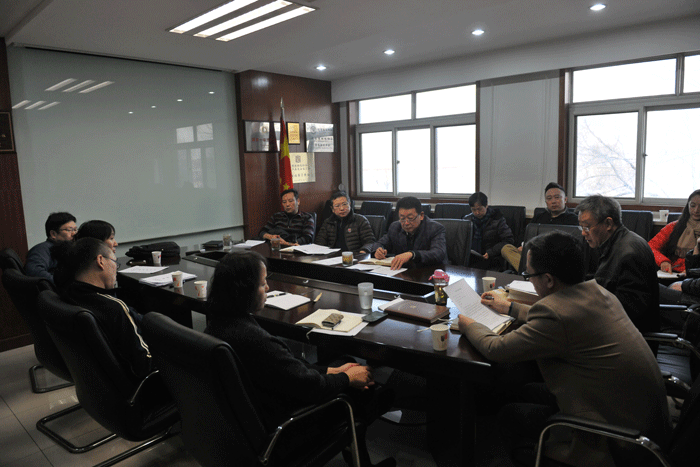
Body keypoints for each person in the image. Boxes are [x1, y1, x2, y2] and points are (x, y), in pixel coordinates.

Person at [458, 231, 671, 467]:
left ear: (549, 280)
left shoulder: (556, 315)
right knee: (526, 389)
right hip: (641, 420)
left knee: (509, 415)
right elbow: (564, 317)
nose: (530, 280)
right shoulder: (598, 292)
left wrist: (469, 324)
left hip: (616, 442)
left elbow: (496, 348)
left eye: (530, 275)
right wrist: (510, 308)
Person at [203, 250, 392, 436]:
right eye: (262, 283)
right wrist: (347, 378)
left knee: (344, 362)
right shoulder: (255, 340)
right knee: (372, 391)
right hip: (288, 424)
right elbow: (311, 387)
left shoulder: (217, 325)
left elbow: (287, 368)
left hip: (253, 416)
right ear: (244, 290)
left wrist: (331, 371)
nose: (267, 288)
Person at [53, 238, 150, 383]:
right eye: (115, 262)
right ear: (100, 261)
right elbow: (145, 365)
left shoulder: (67, 295)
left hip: (97, 383)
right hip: (141, 385)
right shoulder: (114, 309)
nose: (116, 269)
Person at [575, 195, 660, 336]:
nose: (583, 233)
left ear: (608, 223)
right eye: (581, 227)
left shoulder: (629, 254)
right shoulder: (618, 242)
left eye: (587, 227)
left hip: (628, 339)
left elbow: (628, 311)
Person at [502, 183, 578, 270]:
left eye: (557, 197)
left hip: (557, 257)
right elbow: (525, 234)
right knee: (506, 248)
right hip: (534, 253)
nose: (553, 201)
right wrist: (523, 245)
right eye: (549, 198)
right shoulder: (539, 217)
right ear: (546, 202)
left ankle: (530, 271)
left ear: (565, 199)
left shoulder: (573, 219)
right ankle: (533, 271)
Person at [370, 196, 447, 270]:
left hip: (430, 272)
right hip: (402, 272)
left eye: (410, 218)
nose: (406, 223)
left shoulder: (435, 228)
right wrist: (378, 250)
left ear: (421, 215)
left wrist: (412, 254)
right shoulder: (395, 227)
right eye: (402, 218)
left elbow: (438, 253)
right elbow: (379, 243)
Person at [649, 189, 700, 273]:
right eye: (693, 206)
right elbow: (650, 247)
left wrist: (692, 271)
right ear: (687, 206)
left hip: (694, 276)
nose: (696, 210)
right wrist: (663, 261)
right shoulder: (674, 226)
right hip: (670, 272)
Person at [463, 192, 514, 271]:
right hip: (471, 259)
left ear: (486, 205)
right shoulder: (467, 220)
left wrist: (491, 252)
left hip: (492, 260)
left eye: (480, 209)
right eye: (473, 210)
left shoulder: (497, 219)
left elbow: (508, 240)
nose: (477, 212)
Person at [25, 212, 77, 284]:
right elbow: (34, 271)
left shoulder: (68, 249)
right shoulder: (42, 249)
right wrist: (63, 285)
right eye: (69, 230)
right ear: (53, 234)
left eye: (75, 230)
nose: (74, 234)